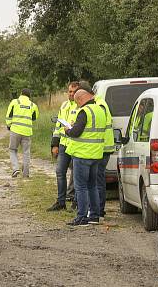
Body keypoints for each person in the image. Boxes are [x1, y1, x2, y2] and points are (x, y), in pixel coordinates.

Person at [64, 82, 106, 226]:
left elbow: (76, 132)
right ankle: (94, 216)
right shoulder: (100, 110)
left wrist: (67, 130)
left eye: (77, 102)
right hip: (96, 155)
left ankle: (81, 217)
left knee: (81, 187)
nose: (77, 105)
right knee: (92, 186)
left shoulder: (84, 112)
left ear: (81, 99)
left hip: (82, 155)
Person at [47, 81, 79, 211]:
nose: (71, 94)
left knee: (77, 174)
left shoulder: (80, 106)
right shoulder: (64, 105)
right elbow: (58, 126)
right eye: (69, 91)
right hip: (63, 145)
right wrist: (54, 144)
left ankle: (77, 201)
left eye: (74, 91)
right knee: (60, 172)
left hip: (76, 145)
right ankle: (61, 202)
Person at [6, 88, 39, 178]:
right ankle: (26, 174)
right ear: (29, 96)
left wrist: (9, 125)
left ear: (21, 94)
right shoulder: (33, 105)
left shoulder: (14, 102)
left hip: (15, 130)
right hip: (27, 132)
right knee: (26, 152)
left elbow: (9, 115)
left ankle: (16, 168)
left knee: (12, 150)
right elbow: (34, 117)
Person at [95, 94, 115, 219]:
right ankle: (98, 210)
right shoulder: (100, 103)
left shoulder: (99, 105)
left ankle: (99, 210)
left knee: (98, 180)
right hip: (102, 148)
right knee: (98, 179)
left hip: (102, 148)